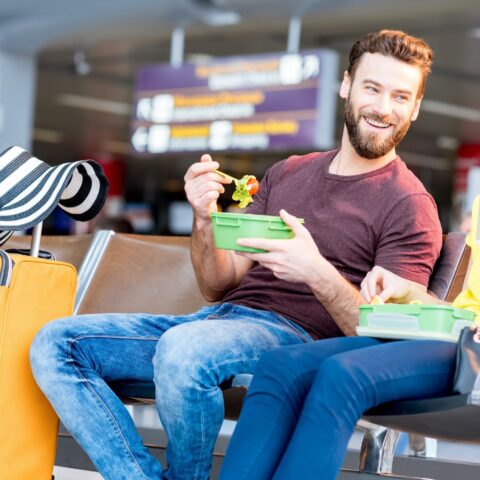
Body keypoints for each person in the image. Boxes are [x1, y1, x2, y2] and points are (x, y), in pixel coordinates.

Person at [29, 30, 441, 480]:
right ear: (346, 85)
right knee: (56, 343)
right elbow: (217, 283)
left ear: (416, 108)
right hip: (217, 322)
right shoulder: (288, 172)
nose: (384, 108)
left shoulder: (409, 205)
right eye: (372, 88)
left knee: (184, 351)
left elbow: (386, 339)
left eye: (401, 96)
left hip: (297, 342)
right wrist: (205, 219)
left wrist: (316, 271)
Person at [219, 266, 464, 480]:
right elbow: (468, 307)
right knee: (280, 366)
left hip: (469, 349)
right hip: (457, 332)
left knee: (343, 376)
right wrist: (409, 291)